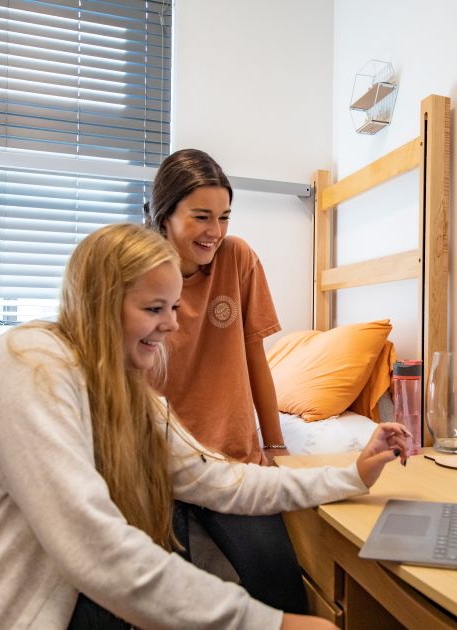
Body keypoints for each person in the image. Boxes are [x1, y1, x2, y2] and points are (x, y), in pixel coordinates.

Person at [0, 223, 410, 630]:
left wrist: (352, 473)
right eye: (155, 307)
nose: (174, 325)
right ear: (99, 303)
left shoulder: (126, 393)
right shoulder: (28, 367)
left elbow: (223, 480)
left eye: (174, 306)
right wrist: (267, 622)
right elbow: (95, 546)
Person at [144, 148, 305, 612]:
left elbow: (256, 357)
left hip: (229, 458)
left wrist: (274, 447)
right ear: (165, 213)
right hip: (157, 464)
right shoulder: (137, 270)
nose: (215, 231)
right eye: (201, 216)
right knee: (160, 604)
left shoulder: (237, 259)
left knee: (282, 592)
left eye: (224, 217)